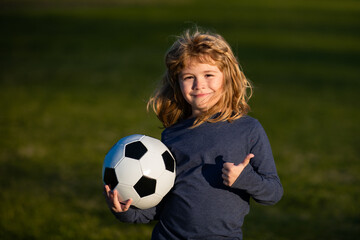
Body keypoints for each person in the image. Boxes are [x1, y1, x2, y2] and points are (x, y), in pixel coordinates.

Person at [103, 28, 283, 240]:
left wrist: (245, 179)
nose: (199, 85)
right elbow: (159, 204)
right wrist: (126, 211)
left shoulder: (248, 129)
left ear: (227, 76)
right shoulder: (173, 135)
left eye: (208, 75)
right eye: (189, 77)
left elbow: (273, 192)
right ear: (177, 82)